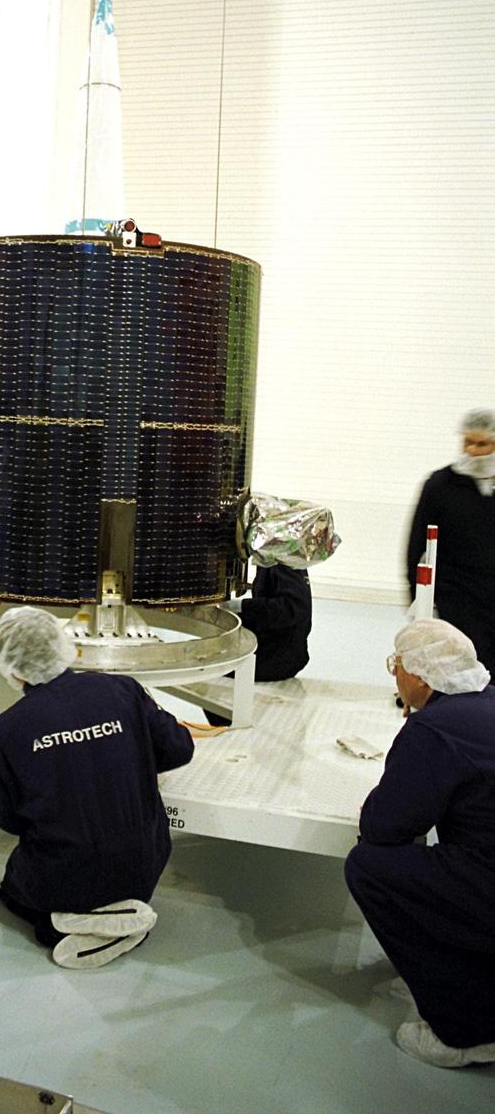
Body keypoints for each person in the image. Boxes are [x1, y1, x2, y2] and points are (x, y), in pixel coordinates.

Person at [0, 606, 194, 968]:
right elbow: (179, 748)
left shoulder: (6, 731)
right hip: (146, 866)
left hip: (64, 877)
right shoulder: (121, 690)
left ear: (12, 669)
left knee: (10, 894)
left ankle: (61, 925)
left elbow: (8, 819)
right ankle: (123, 921)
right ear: (65, 646)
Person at [344, 619, 495, 1067]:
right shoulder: (485, 703)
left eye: (397, 665)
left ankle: (465, 1030)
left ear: (421, 676)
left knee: (369, 867)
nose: (394, 674)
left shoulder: (436, 729)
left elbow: (382, 828)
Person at [406, 407, 495, 675]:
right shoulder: (440, 486)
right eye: (469, 442)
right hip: (456, 600)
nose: (474, 451)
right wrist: (419, 602)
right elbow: (415, 547)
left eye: (483, 444)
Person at [203, 562, 312, 726]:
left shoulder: (281, 563)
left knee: (212, 672)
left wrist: (242, 606)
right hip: (288, 652)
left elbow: (291, 608)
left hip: (279, 659)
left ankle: (228, 727)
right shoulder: (279, 561)